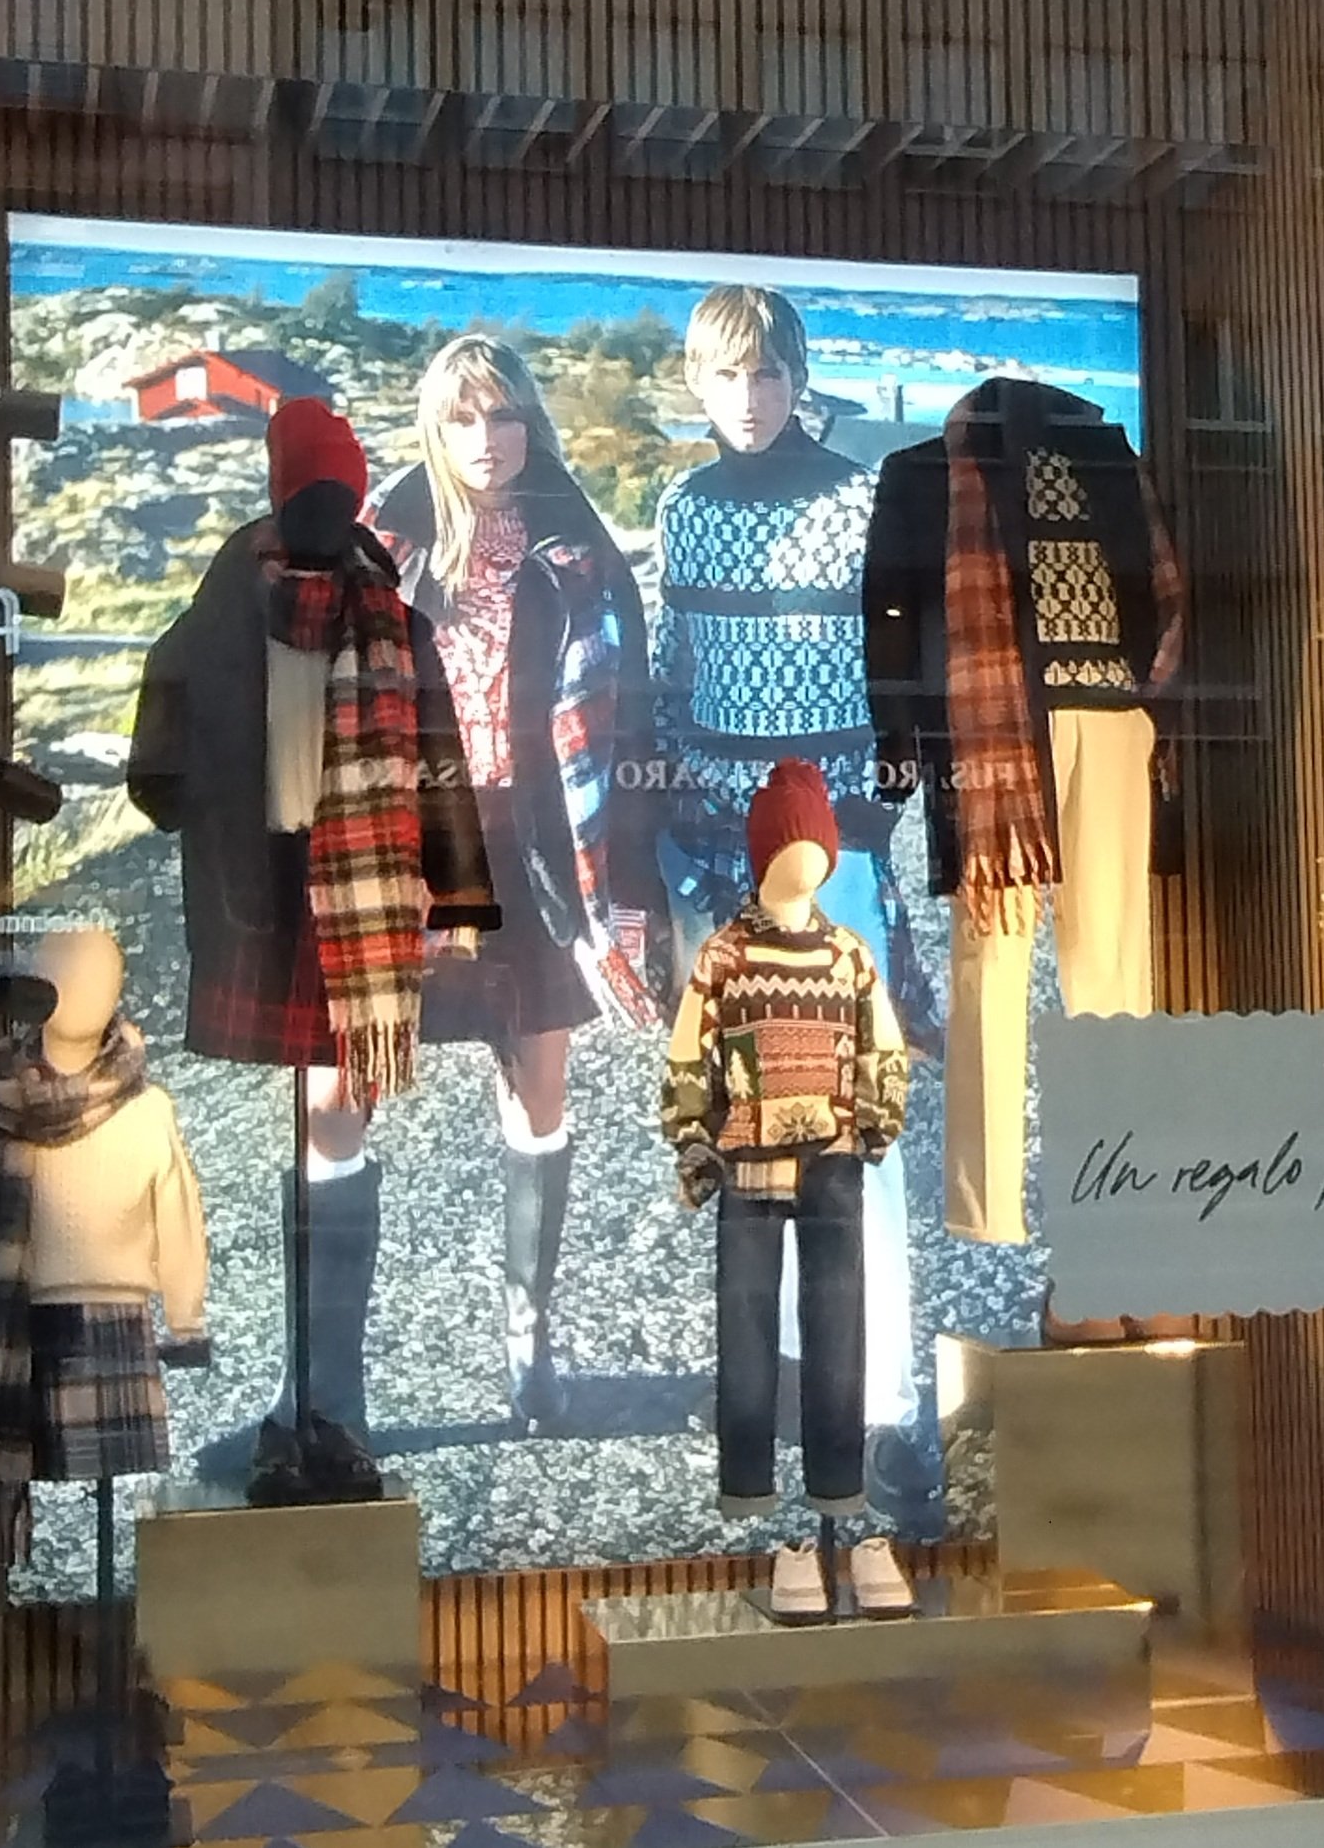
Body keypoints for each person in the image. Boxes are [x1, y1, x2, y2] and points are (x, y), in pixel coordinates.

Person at [651, 285, 943, 1534]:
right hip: (721, 863)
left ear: (799, 376)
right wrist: (686, 828)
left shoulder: (858, 500)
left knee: (860, 1143)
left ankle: (892, 1407)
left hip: (836, 866)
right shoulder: (682, 508)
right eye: (727, 376)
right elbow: (672, 678)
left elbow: (901, 677)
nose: (749, 397)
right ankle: (776, 1389)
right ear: (697, 382)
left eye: (767, 373)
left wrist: (859, 824)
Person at [369, 333, 665, 1430]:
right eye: (462, 418)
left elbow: (625, 705)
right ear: (433, 427)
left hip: (537, 838)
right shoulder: (386, 542)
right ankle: (330, 1382)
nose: (486, 439)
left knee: (538, 1083)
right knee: (344, 1084)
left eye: (502, 415)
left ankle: (528, 1345)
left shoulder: (573, 543)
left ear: (529, 422)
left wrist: (630, 867)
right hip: (413, 834)